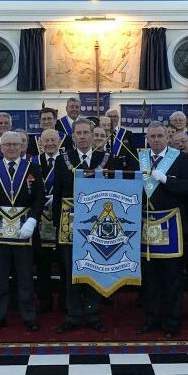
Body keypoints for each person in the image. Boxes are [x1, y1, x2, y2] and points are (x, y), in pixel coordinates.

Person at [0, 131, 45, 331]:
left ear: (22, 146)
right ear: (1, 147)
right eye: (8, 144)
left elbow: (39, 198)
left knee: (25, 276)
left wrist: (32, 221)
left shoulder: (33, 168)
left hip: (25, 231)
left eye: (16, 144)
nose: (12, 148)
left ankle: (28, 315)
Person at [136, 122, 188, 338]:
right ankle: (151, 319)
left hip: (171, 223)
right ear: (147, 138)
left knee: (172, 278)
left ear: (167, 137)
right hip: (146, 223)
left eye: (160, 135)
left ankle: (172, 322)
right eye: (152, 136)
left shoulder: (181, 158)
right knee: (150, 278)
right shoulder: (140, 158)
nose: (156, 139)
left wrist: (168, 180)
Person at [54, 118, 112, 333]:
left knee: (93, 270)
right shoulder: (63, 159)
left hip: (99, 225)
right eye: (78, 133)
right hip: (69, 223)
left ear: (92, 134)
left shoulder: (105, 158)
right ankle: (73, 315)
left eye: (86, 132)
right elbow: (59, 193)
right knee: (71, 270)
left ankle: (92, 313)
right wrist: (57, 224)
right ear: (72, 136)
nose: (82, 136)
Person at [33, 129, 64, 313]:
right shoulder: (33, 162)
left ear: (59, 141)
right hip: (39, 218)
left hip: (60, 218)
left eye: (53, 140)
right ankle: (44, 301)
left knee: (62, 263)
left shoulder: (66, 161)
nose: (50, 143)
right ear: (40, 143)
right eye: (46, 140)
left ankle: (63, 301)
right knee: (42, 263)